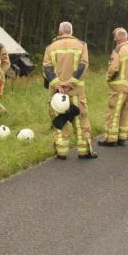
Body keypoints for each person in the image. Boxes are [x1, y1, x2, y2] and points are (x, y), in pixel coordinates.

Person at [44, 21, 96, 159]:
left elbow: (47, 68)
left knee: (60, 121)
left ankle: (61, 153)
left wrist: (58, 85)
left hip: (57, 93)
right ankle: (84, 152)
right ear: (71, 32)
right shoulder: (81, 45)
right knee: (80, 121)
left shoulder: (50, 47)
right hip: (76, 92)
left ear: (60, 31)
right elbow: (83, 65)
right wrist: (70, 84)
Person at [99, 27, 128, 146]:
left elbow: (114, 68)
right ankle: (122, 137)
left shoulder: (118, 49)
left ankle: (111, 139)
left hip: (119, 86)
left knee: (114, 112)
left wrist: (108, 77)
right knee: (126, 111)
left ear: (116, 38)